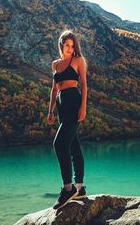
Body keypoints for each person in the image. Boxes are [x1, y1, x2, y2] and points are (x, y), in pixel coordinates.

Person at [47, 30, 88, 210]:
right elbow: (54, 90)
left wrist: (83, 106)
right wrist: (50, 111)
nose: (70, 49)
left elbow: (84, 84)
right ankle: (80, 188)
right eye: (67, 45)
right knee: (73, 145)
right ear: (61, 45)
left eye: (73, 46)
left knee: (59, 144)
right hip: (61, 104)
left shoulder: (78, 60)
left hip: (73, 100)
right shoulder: (55, 64)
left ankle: (67, 188)